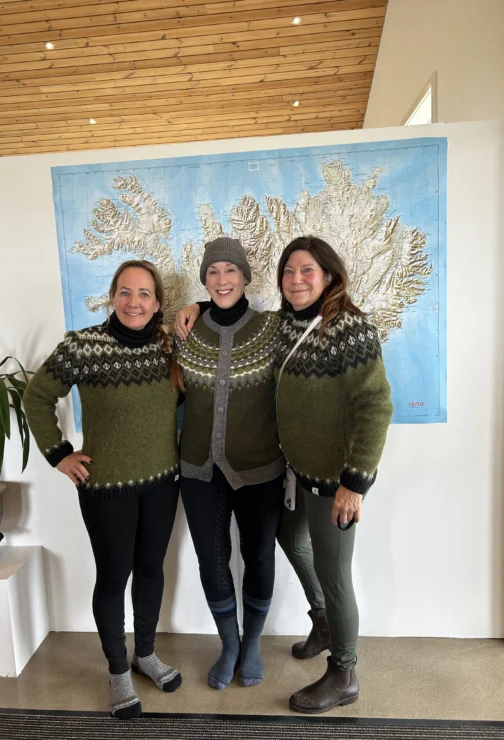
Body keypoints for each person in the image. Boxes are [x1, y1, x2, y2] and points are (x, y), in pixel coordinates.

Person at [24, 260, 183, 721]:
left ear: (157, 303)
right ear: (112, 296)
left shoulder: (168, 345)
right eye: (126, 292)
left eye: (145, 294)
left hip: (161, 483)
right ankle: (118, 670)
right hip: (106, 486)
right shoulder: (83, 345)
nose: (135, 302)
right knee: (115, 578)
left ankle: (146, 655)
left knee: (151, 570)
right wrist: (59, 454)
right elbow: (37, 394)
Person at [275, 235, 393, 713]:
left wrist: (354, 483)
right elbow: (230, 312)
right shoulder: (284, 325)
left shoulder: (350, 329)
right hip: (298, 472)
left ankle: (344, 673)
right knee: (289, 536)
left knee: (335, 573)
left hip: (337, 480)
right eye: (288, 272)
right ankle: (322, 621)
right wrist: (197, 307)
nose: (297, 279)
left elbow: (377, 405)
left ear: (328, 276)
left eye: (307, 270)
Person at [175, 236, 285, 690]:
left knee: (257, 555)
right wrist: (195, 307)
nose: (222, 280)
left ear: (245, 277)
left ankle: (253, 641)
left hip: (259, 467)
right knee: (211, 559)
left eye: (231, 271)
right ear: (204, 280)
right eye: (213, 273)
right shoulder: (185, 330)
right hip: (199, 469)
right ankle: (230, 644)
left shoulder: (272, 328)